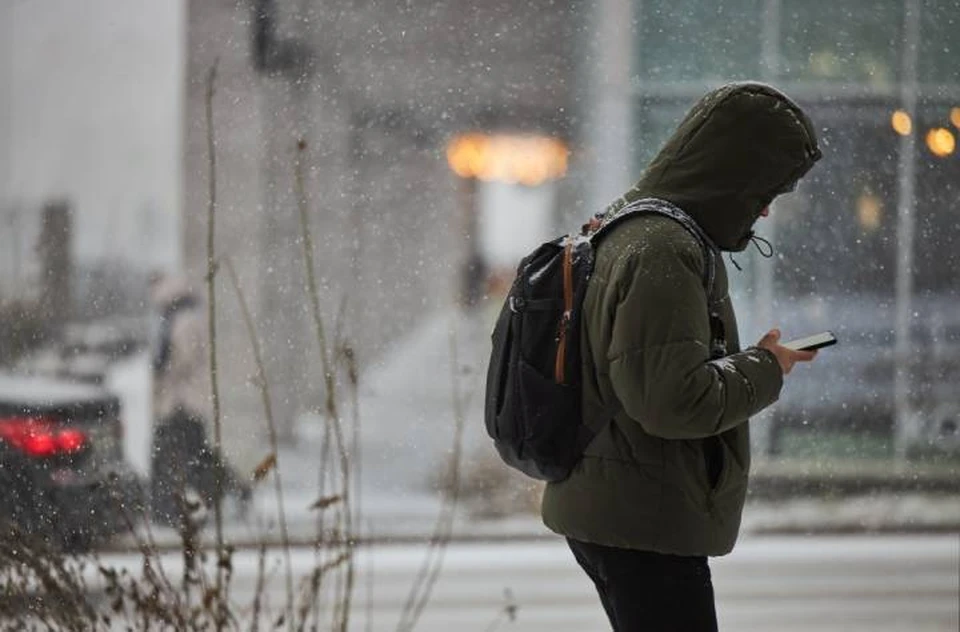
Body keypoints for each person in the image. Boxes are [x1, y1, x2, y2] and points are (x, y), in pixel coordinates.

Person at [540, 82, 823, 631]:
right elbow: (672, 403)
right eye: (765, 190)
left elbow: (647, 372)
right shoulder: (664, 249)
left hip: (622, 502)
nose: (765, 209)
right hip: (644, 516)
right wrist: (768, 368)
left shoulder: (632, 226)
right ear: (731, 176)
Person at [149, 272, 251, 528]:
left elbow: (180, 361)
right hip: (185, 401)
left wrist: (162, 374)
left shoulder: (182, 320)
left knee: (176, 454)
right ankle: (226, 490)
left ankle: (171, 507)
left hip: (182, 402)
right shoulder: (187, 316)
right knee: (195, 453)